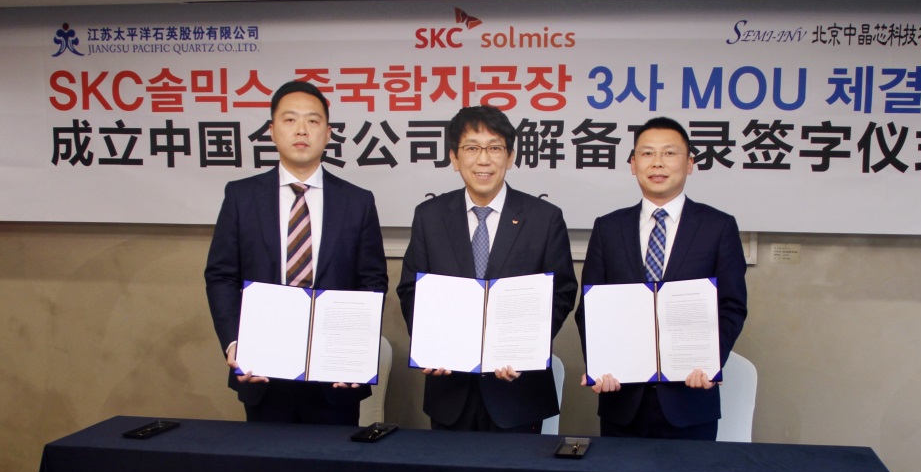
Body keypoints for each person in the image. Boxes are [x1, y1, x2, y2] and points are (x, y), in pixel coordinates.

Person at [205, 80, 388, 425]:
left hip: (335, 377)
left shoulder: (357, 201)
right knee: (267, 459)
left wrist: (356, 352)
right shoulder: (241, 197)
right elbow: (221, 276)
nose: (301, 130)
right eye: (290, 120)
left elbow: (372, 281)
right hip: (262, 369)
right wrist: (234, 342)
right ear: (272, 131)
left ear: (328, 133)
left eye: (313, 121)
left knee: (335, 459)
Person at [397, 106, 577, 433]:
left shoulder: (544, 218)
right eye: (471, 148)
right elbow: (411, 289)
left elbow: (562, 292)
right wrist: (430, 346)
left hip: (518, 391)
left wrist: (526, 348)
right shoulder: (430, 216)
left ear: (510, 157)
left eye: (494, 148)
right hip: (450, 390)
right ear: (454, 158)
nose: (483, 160)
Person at [574, 117, 747, 440]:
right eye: (647, 153)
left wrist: (710, 361)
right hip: (621, 398)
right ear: (633, 164)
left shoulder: (718, 226)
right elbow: (589, 308)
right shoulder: (608, 228)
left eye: (669, 153)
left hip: (691, 399)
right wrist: (599, 364)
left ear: (689, 163)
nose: (657, 163)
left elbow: (732, 305)